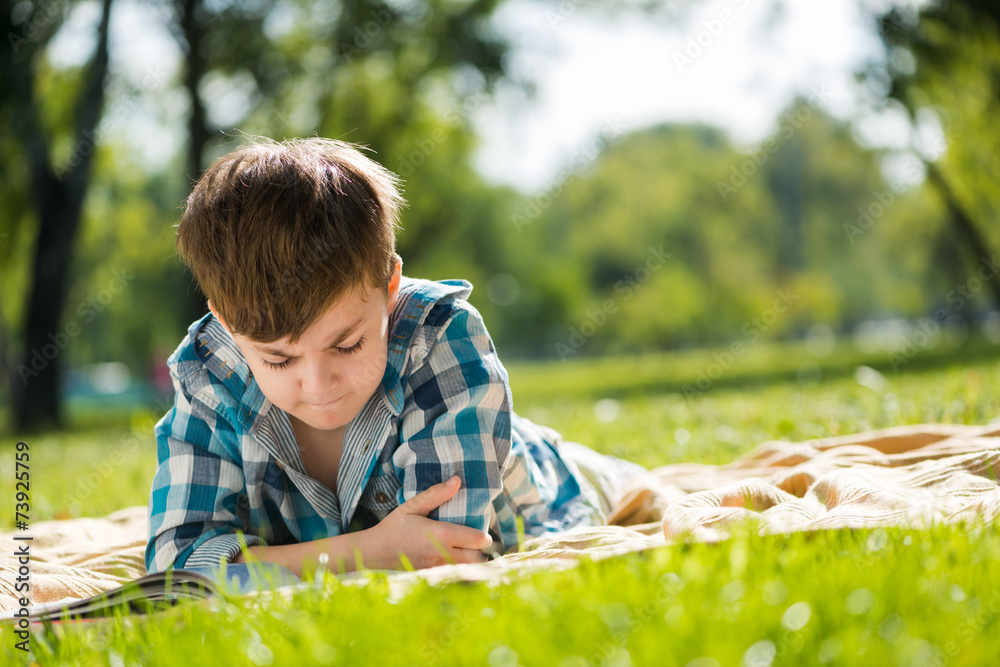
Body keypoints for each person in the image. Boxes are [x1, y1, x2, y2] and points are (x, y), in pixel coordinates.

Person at [144, 137, 648, 578]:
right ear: (228, 324)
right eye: (279, 360)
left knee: (619, 481)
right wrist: (367, 550)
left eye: (346, 345)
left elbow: (443, 553)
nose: (319, 385)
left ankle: (601, 466)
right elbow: (177, 566)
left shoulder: (442, 336)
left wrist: (267, 564)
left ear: (389, 287)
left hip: (541, 488)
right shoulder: (209, 371)